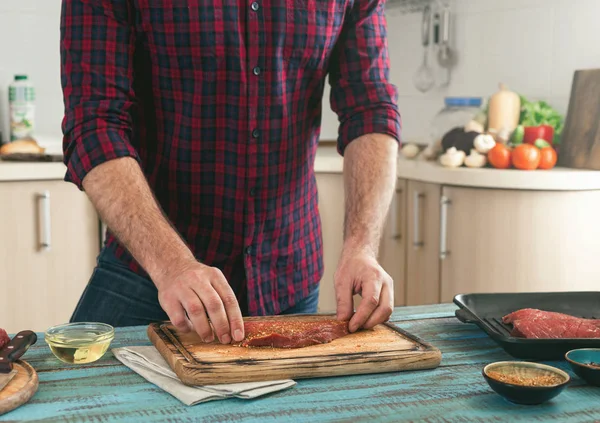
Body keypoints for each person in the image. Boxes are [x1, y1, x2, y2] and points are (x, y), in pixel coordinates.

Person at [60, 0, 400, 345]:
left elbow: (370, 109)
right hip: (150, 278)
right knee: (77, 394)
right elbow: (94, 125)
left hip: (288, 280)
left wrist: (362, 247)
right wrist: (173, 265)